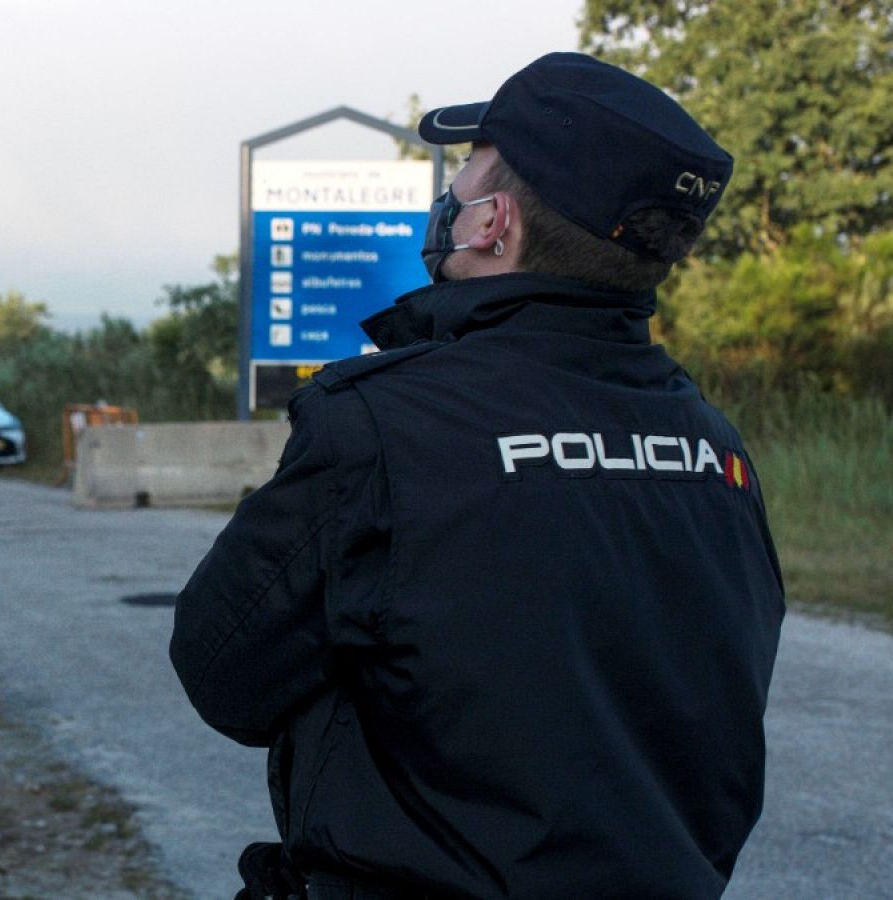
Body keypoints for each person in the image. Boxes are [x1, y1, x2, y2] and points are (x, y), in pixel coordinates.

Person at [170, 52, 784, 899]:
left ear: (493, 223)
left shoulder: (383, 425)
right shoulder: (718, 450)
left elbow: (222, 676)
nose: (448, 191)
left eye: (467, 170)